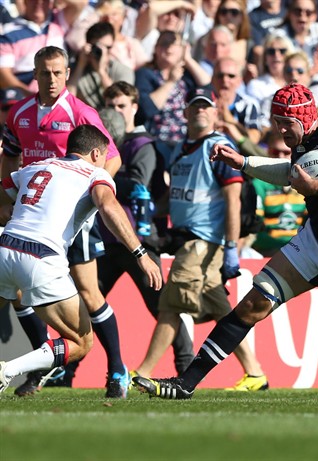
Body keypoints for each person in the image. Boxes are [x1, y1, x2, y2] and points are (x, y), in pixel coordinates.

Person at [132, 83, 318, 400]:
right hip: (316, 241)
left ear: (304, 118)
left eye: (285, 123)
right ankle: (185, 384)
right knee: (253, 304)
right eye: (276, 122)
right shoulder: (305, 140)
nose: (280, 130)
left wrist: (317, 188)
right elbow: (293, 172)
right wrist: (245, 163)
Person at [1, 46, 133, 398]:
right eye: (45, 73)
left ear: (68, 73)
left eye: (58, 72)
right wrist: (8, 200)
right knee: (18, 293)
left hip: (74, 217)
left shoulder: (81, 112)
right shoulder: (19, 113)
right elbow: (10, 156)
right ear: (35, 73)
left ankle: (117, 369)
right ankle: (39, 367)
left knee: (90, 294)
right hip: (34, 217)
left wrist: (91, 197)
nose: (52, 79)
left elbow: (111, 158)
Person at [0, 125, 162, 394]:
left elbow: (3, 194)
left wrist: (7, 212)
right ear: (97, 153)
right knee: (81, 341)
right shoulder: (94, 173)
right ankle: (8, 371)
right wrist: (140, 254)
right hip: (41, 258)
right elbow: (108, 206)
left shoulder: (39, 166)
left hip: (5, 249)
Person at [130, 86, 269, 392]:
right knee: (221, 310)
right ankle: (256, 373)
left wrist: (232, 246)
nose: (201, 111)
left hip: (204, 241)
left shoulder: (218, 147)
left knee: (171, 304)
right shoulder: (181, 149)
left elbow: (233, 198)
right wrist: (150, 212)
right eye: (196, 106)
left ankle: (141, 372)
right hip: (189, 238)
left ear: (216, 112)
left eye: (207, 106)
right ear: (186, 113)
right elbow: (177, 197)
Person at [100, 81, 194, 375]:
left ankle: (186, 366)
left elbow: (140, 185)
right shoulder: (105, 145)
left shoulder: (143, 145)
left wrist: (102, 174)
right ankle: (66, 371)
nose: (117, 111)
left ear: (135, 108)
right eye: (112, 106)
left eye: (122, 105)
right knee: (88, 302)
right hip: (108, 239)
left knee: (161, 306)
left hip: (140, 241)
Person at [67, 21, 135, 109]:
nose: (104, 52)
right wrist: (80, 66)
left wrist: (101, 71)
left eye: (108, 47)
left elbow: (121, 101)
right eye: (98, 47)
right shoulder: (74, 68)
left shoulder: (124, 70)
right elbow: (66, 101)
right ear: (89, 46)